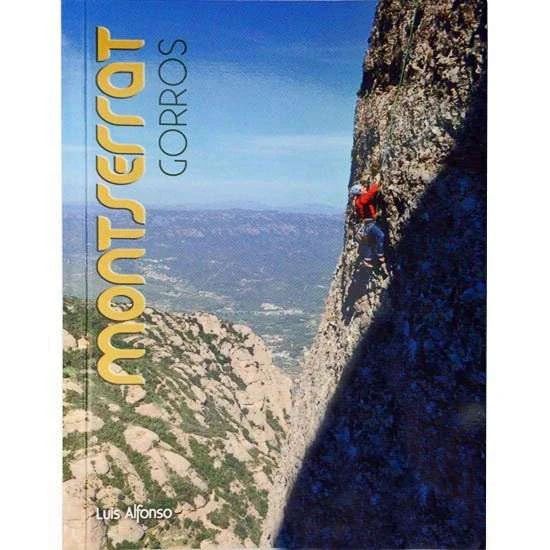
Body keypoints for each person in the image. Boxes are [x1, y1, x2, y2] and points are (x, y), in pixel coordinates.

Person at [349, 180, 386, 268]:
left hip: (367, 224)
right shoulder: (362, 199)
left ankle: (367, 259)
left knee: (369, 242)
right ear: (359, 192)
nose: (364, 188)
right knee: (381, 235)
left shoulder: (358, 201)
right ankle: (380, 254)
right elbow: (370, 194)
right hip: (370, 223)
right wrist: (376, 184)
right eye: (362, 188)